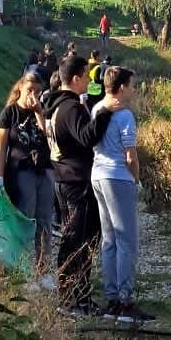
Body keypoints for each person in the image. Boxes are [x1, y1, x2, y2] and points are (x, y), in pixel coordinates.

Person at [43, 55, 122, 315]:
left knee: (74, 238)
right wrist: (106, 111)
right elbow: (87, 137)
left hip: (65, 179)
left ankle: (78, 294)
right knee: (79, 241)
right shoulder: (70, 108)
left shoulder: (54, 104)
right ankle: (73, 297)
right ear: (75, 78)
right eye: (86, 75)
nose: (89, 80)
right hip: (77, 181)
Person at [91, 67, 155, 323]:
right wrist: (136, 179)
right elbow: (131, 155)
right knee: (127, 240)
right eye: (131, 84)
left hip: (97, 174)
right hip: (118, 176)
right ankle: (125, 300)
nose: (134, 88)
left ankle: (111, 299)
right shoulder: (125, 115)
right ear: (121, 87)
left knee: (109, 240)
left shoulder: (97, 109)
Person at [0, 72, 56, 274]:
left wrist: (39, 111)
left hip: (44, 169)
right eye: (30, 90)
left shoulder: (42, 111)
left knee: (45, 220)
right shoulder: (9, 113)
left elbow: (50, 138)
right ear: (20, 87)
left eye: (38, 91)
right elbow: (0, 148)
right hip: (21, 170)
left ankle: (43, 270)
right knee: (26, 217)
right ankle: (22, 269)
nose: (33, 95)